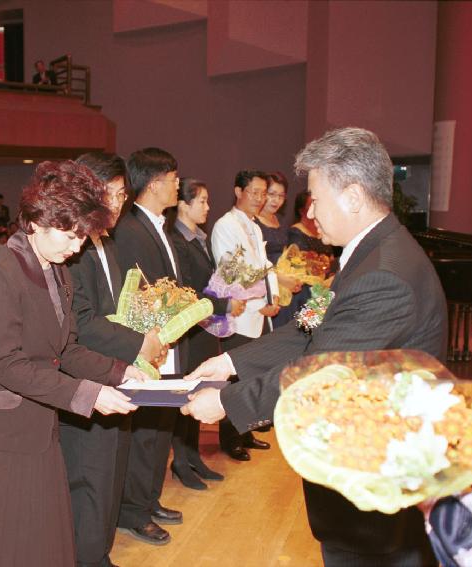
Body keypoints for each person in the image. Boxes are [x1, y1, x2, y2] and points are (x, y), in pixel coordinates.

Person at [183, 127, 448, 567]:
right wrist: (229, 362)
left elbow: (319, 373)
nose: (309, 210)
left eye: (316, 198)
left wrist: (227, 403)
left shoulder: (384, 274)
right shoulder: (366, 255)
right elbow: (309, 327)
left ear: (354, 196)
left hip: (372, 480)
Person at [0, 160, 146, 566]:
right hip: (1, 436)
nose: (76, 246)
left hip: (39, 426)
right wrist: (87, 394)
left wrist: (120, 371)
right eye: (69, 233)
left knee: (44, 540)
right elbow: (9, 365)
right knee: (9, 545)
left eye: (81, 235)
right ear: (37, 220)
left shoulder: (56, 269)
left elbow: (68, 349)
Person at [62, 152, 166, 565]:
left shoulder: (107, 242)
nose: (119, 205)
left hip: (117, 372)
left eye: (124, 195)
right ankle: (88, 556)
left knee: (111, 473)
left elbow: (121, 306)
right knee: (89, 477)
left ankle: (98, 551)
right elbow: (82, 321)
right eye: (114, 194)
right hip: (89, 372)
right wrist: (140, 344)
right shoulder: (71, 247)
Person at [113, 147, 185, 545]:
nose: (178, 185)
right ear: (155, 183)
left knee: (161, 428)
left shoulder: (160, 226)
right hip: (148, 341)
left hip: (166, 338)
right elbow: (137, 291)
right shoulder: (130, 229)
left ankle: (149, 499)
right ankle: (133, 512)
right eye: (174, 179)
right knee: (145, 432)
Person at [169, 178, 246, 488]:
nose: (207, 207)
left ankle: (193, 457)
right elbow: (187, 290)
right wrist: (225, 305)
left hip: (204, 328)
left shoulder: (199, 238)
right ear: (184, 204)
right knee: (186, 396)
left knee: (199, 390)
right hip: (190, 327)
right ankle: (181, 461)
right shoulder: (176, 240)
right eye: (201, 201)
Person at [210, 169, 280, 460]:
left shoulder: (254, 226)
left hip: (261, 312)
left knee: (252, 376)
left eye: (264, 193)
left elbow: (264, 266)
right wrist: (255, 304)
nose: (260, 199)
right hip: (240, 314)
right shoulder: (225, 226)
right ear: (238, 192)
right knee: (235, 379)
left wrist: (274, 296)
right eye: (255, 192)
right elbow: (230, 274)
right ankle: (230, 438)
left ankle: (246, 431)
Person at [257, 172, 303, 328]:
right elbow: (255, 263)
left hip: (286, 288)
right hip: (267, 288)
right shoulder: (253, 222)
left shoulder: (280, 221)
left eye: (281, 196)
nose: (276, 200)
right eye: (272, 194)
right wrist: (280, 279)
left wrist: (295, 275)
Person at [289, 191, 337, 256]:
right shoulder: (295, 232)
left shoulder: (322, 229)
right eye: (311, 205)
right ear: (301, 211)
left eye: (316, 204)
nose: (315, 209)